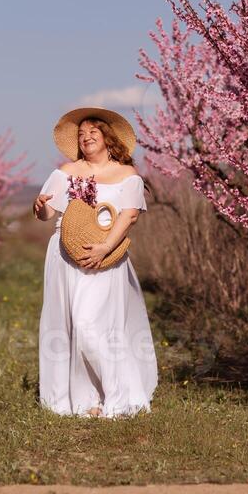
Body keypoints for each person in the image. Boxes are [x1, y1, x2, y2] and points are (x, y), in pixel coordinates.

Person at [32, 107, 158, 419]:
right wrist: (39, 207)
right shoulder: (67, 171)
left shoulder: (127, 175)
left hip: (106, 255)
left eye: (93, 131)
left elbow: (129, 215)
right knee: (70, 325)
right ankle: (86, 399)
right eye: (81, 133)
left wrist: (104, 247)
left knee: (92, 326)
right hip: (64, 254)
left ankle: (120, 398)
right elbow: (48, 212)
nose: (85, 137)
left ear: (107, 138)